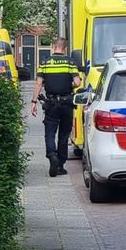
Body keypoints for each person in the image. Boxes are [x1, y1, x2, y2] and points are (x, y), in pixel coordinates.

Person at [31, 39, 82, 177]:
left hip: (51, 104)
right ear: (65, 49)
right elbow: (77, 82)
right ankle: (60, 165)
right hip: (66, 103)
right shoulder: (70, 62)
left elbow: (38, 83)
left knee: (50, 132)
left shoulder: (45, 62)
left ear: (54, 47)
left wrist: (34, 102)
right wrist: (66, 84)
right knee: (64, 135)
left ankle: (52, 155)